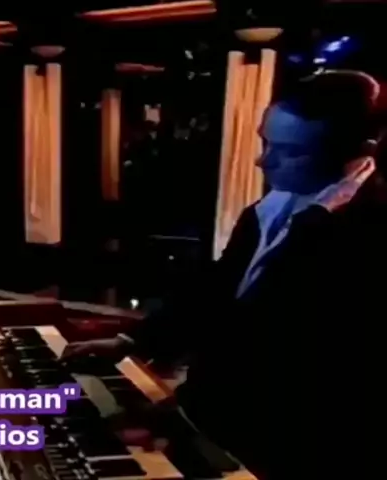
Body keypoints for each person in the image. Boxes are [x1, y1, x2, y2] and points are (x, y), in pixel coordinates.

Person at [62, 70, 387, 479]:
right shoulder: (273, 205)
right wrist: (131, 341)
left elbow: (283, 350)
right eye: (265, 142)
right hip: (222, 419)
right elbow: (218, 290)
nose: (263, 161)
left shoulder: (367, 231)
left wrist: (182, 412)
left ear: (359, 153)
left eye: (289, 151)